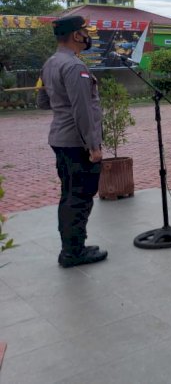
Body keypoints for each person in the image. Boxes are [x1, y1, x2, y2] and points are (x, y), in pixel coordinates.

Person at [36, 15, 108, 267]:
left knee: (68, 194)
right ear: (77, 35)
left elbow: (43, 101)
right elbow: (83, 110)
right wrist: (93, 146)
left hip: (60, 138)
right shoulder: (75, 66)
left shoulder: (51, 63)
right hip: (77, 142)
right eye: (85, 32)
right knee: (80, 195)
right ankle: (73, 253)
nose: (88, 36)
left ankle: (72, 246)